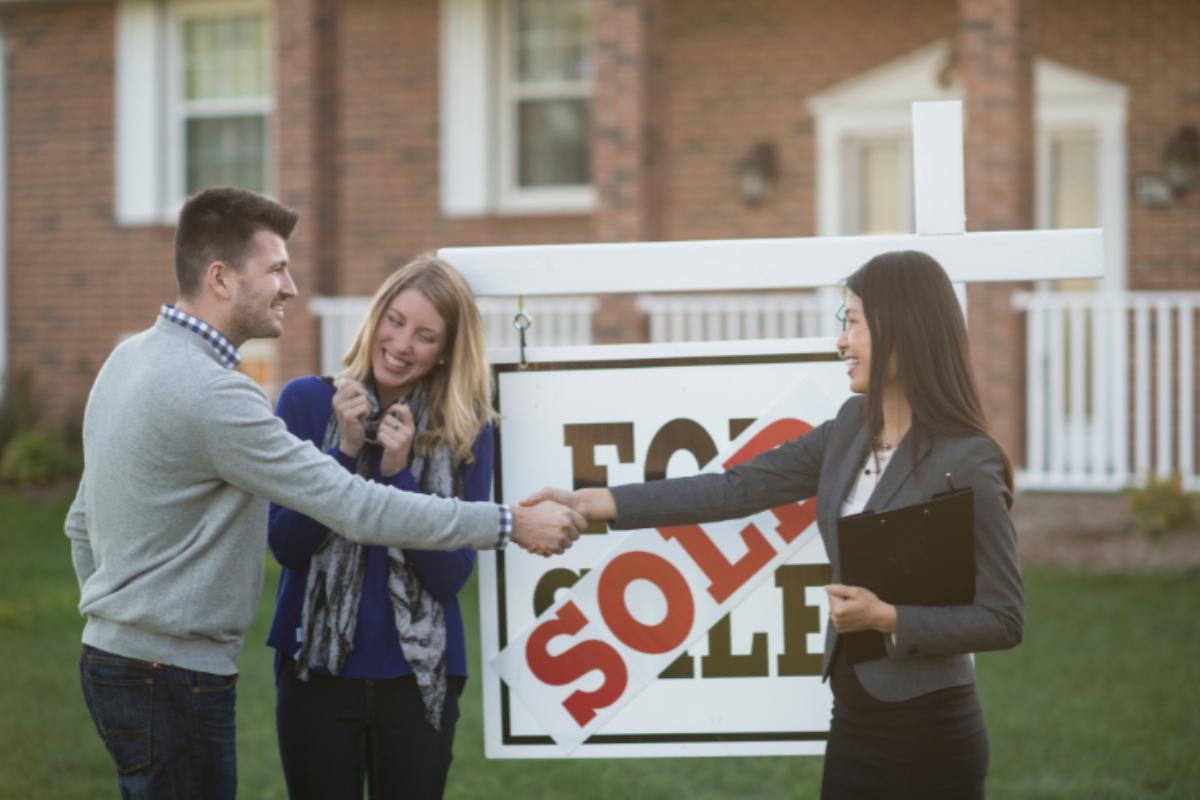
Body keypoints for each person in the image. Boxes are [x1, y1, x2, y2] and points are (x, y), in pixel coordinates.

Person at [63, 187, 582, 800]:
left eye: (425, 335)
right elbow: (350, 511)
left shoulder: (128, 358)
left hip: (121, 661)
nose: (292, 287)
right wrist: (508, 524)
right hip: (175, 671)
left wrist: (115, 620)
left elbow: (80, 522)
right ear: (222, 279)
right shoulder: (222, 395)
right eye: (277, 269)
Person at [525, 250, 1024, 799]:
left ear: (902, 327)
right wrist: (595, 502)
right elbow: (734, 488)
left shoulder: (968, 460)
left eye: (852, 322)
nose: (840, 341)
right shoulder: (849, 429)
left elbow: (1002, 618)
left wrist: (886, 617)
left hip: (932, 735)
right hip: (855, 720)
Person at [266, 256, 494, 798]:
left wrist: (398, 477)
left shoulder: (465, 428)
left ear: (444, 352)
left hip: (417, 677)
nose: (400, 344)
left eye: (425, 335)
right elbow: (286, 547)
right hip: (314, 671)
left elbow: (448, 579)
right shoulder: (305, 402)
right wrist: (342, 454)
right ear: (375, 318)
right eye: (394, 320)